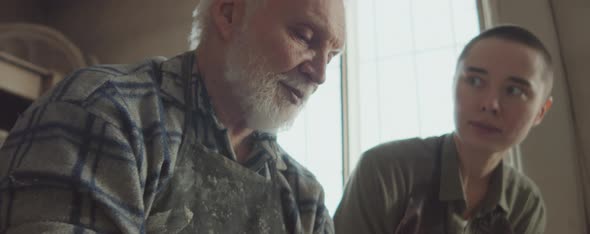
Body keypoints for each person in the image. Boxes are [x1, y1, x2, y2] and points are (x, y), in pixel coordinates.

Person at [0, 0, 345, 233]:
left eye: (330, 56)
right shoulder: (104, 113)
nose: (319, 75)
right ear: (228, 13)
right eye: (304, 36)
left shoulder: (305, 199)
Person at [334, 25, 552, 234]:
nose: (490, 104)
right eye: (475, 81)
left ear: (541, 111)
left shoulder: (525, 204)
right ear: (453, 84)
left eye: (514, 90)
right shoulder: (385, 173)